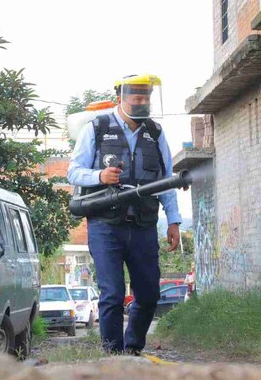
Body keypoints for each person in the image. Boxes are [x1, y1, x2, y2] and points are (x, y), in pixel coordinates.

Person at [67, 74, 183, 355]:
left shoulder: (154, 133)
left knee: (149, 294)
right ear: (122, 97)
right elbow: (74, 171)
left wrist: (174, 220)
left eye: (146, 98)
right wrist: (100, 175)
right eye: (136, 97)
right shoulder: (97, 128)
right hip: (106, 225)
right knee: (113, 294)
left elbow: (165, 179)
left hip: (143, 226)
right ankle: (112, 355)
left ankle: (132, 349)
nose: (142, 102)